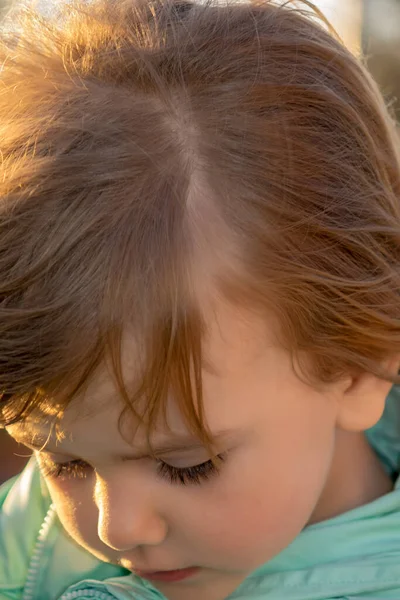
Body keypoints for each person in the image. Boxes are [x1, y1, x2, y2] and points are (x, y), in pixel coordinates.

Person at [1, 0, 400, 599]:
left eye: (188, 466)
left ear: (357, 365)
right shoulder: (32, 527)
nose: (115, 527)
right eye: (63, 463)